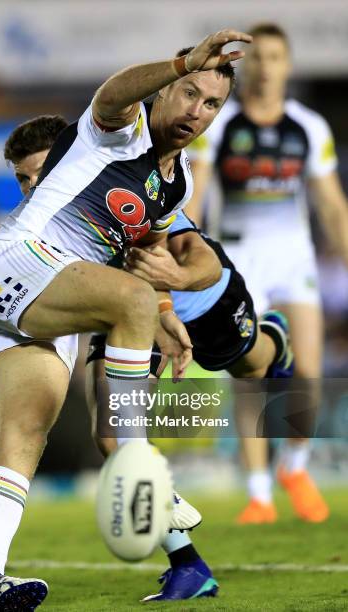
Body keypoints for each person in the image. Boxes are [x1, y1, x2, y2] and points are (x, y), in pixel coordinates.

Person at [0, 29, 253, 610]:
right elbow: (112, 94)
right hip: (21, 260)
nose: (196, 110)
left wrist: (165, 310)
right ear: (166, 91)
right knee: (131, 320)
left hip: (40, 305)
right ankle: (142, 460)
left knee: (22, 439)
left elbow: (150, 256)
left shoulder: (180, 182)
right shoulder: (120, 130)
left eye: (211, 103)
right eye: (188, 92)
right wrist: (180, 63)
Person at [2, 113, 294, 602]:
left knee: (251, 363)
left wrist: (171, 290)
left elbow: (198, 258)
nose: (31, 187)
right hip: (128, 318)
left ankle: (275, 339)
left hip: (203, 304)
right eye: (22, 179)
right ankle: (188, 565)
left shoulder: (123, 192)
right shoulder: (37, 226)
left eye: (39, 174)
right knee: (111, 434)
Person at [185, 23, 348, 524]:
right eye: (257, 58)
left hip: (292, 257)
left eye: (275, 57)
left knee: (309, 372)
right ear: (244, 66)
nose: (265, 66)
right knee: (249, 373)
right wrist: (185, 246)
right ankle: (258, 494)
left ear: (287, 66)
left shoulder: (309, 127)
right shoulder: (219, 123)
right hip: (239, 260)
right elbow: (197, 193)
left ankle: (294, 468)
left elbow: (331, 205)